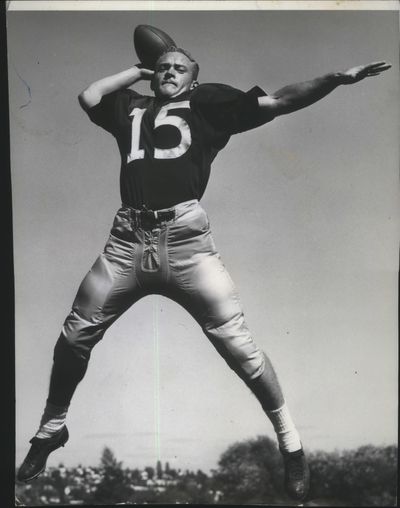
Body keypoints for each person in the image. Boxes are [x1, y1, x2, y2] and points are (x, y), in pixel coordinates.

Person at [17, 44, 390, 501]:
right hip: (127, 238)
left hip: (186, 241)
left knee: (239, 347)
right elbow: (89, 96)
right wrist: (139, 69)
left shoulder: (207, 102)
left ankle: (291, 443)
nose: (169, 72)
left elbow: (279, 101)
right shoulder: (132, 107)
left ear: (194, 79)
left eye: (179, 68)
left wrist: (335, 78)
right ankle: (51, 430)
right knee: (74, 337)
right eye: (162, 67)